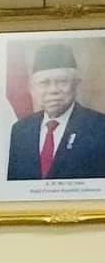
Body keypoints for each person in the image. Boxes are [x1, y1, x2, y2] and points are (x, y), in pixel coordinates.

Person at [7, 43, 105, 180]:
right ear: (32, 88)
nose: (53, 90)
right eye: (44, 83)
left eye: (62, 81)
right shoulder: (20, 130)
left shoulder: (99, 127)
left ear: (76, 84)